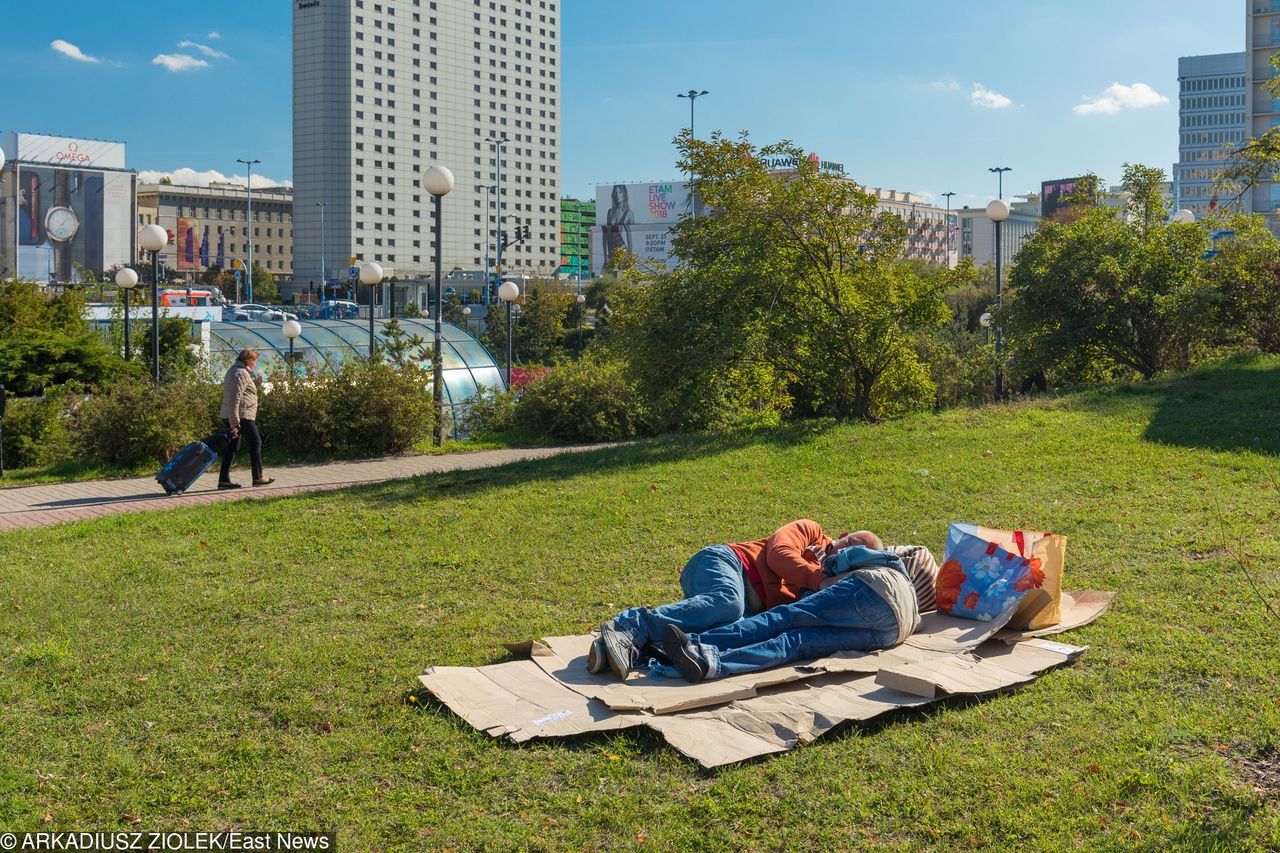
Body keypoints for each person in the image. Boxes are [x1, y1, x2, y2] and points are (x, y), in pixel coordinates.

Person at [590, 520, 883, 679]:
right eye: (853, 543)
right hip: (727, 561)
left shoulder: (824, 592)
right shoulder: (812, 532)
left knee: (729, 625)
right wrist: (820, 578)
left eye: (858, 557)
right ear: (843, 535)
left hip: (743, 605)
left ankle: (628, 649)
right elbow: (778, 554)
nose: (850, 553)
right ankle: (632, 625)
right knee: (728, 601)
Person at [659, 544, 927, 683]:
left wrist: (829, 565)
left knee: (782, 619)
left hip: (872, 591)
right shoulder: (914, 602)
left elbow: (839, 561)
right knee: (798, 643)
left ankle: (696, 643)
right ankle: (713, 665)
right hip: (894, 631)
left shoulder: (888, 561)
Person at [218, 348, 273, 490]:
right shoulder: (241, 373)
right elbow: (235, 398)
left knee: (232, 447)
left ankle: (224, 480)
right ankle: (258, 477)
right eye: (254, 361)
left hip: (234, 414)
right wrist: (234, 421)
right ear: (248, 360)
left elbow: (241, 391)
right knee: (256, 442)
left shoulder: (235, 370)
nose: (255, 364)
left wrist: (255, 383)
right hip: (241, 415)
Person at [601, 184, 634, 260]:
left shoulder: (629, 213)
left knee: (624, 272)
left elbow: (629, 235)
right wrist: (605, 255)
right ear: (613, 195)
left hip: (622, 250)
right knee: (606, 271)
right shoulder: (610, 212)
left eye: (620, 192)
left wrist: (630, 255)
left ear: (624, 194)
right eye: (615, 193)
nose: (618, 195)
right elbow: (605, 235)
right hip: (611, 252)